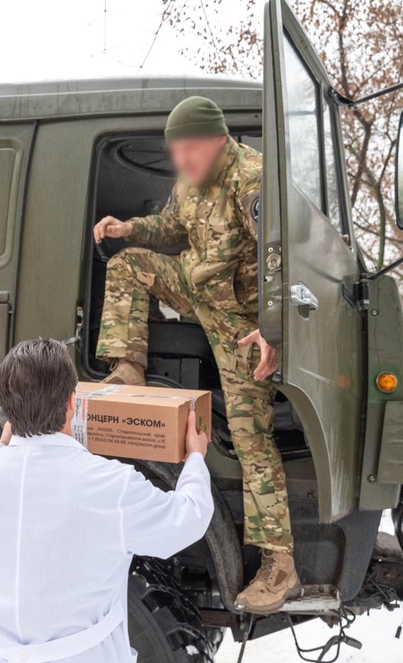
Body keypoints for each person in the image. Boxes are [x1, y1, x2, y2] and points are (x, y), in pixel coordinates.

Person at [92, 96, 300, 614]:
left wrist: (275, 331)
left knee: (253, 438)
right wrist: (128, 230)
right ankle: (128, 369)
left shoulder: (253, 181)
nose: (181, 160)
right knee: (129, 265)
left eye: (189, 149)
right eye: (176, 151)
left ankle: (279, 565)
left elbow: (287, 260)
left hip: (243, 324)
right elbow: (172, 230)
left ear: (217, 140)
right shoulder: (188, 181)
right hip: (197, 289)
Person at [0, 338, 213, 663]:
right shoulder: (111, 485)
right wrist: (196, 458)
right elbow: (188, 519)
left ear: (6, 409)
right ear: (71, 404)